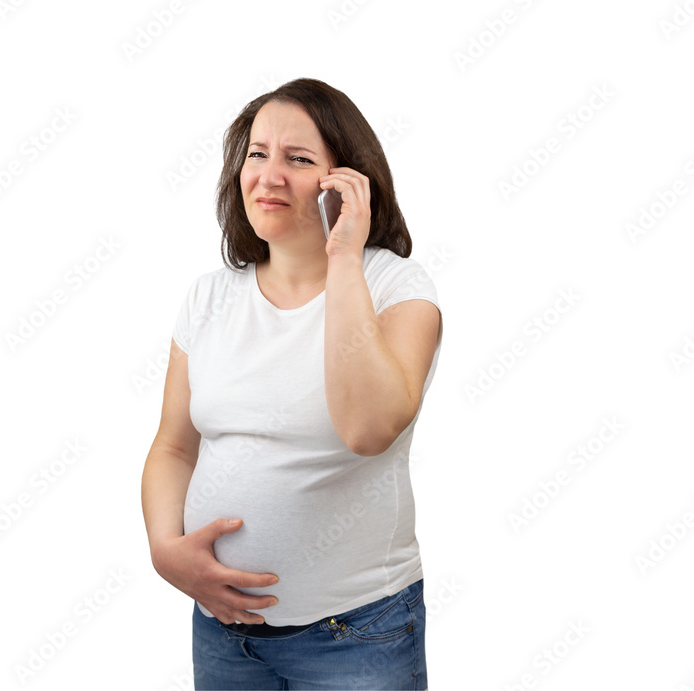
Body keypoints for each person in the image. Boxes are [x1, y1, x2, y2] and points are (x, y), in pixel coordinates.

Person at [141, 77, 442, 690]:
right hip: (223, 632)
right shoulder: (208, 297)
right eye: (257, 154)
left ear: (347, 183)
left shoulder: (397, 290)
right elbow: (174, 446)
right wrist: (165, 549)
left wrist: (343, 258)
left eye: (298, 159)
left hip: (357, 635)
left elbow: (367, 428)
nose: (269, 175)